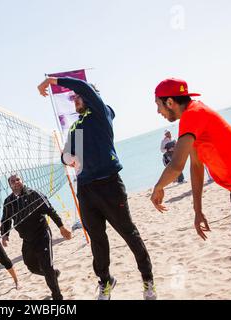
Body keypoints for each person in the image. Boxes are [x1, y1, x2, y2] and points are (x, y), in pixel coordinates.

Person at [38, 76, 156, 300]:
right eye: (74, 98)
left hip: (109, 184)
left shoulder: (101, 113)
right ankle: (105, 281)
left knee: (128, 233)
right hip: (86, 188)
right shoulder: (76, 126)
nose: (76, 99)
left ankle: (148, 280)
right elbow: (67, 155)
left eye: (80, 97)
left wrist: (51, 81)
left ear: (93, 96)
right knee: (98, 240)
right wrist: (67, 158)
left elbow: (81, 86)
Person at [150, 78, 231, 300]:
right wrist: (198, 210)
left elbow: (176, 164)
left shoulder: (193, 115)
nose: (158, 111)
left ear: (169, 102)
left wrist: (158, 187)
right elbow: (195, 166)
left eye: (158, 104)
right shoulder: (193, 118)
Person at [1, 173, 72, 300]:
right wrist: (5, 235)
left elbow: (50, 210)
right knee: (32, 267)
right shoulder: (8, 202)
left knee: (47, 266)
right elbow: (5, 220)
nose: (16, 182)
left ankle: (57, 296)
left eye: (18, 179)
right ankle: (53, 274)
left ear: (22, 181)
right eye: (13, 181)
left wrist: (61, 227)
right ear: (10, 185)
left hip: (42, 235)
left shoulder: (34, 194)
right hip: (27, 240)